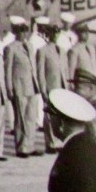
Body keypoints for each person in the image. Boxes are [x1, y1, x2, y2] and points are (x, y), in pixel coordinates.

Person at [5, 19, 41, 158]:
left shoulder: (30, 46)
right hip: (19, 87)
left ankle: (30, 145)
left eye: (25, 30)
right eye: (20, 31)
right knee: (20, 118)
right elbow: (8, 70)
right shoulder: (10, 48)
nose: (23, 34)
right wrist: (9, 89)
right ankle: (21, 147)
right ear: (15, 32)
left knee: (31, 117)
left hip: (32, 86)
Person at [38, 26, 68, 154]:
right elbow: (40, 72)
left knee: (61, 116)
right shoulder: (43, 51)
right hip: (51, 87)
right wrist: (43, 89)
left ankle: (60, 141)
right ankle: (50, 143)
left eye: (57, 33)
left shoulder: (61, 50)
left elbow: (65, 70)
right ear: (48, 35)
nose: (55, 36)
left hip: (62, 87)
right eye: (53, 33)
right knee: (50, 116)